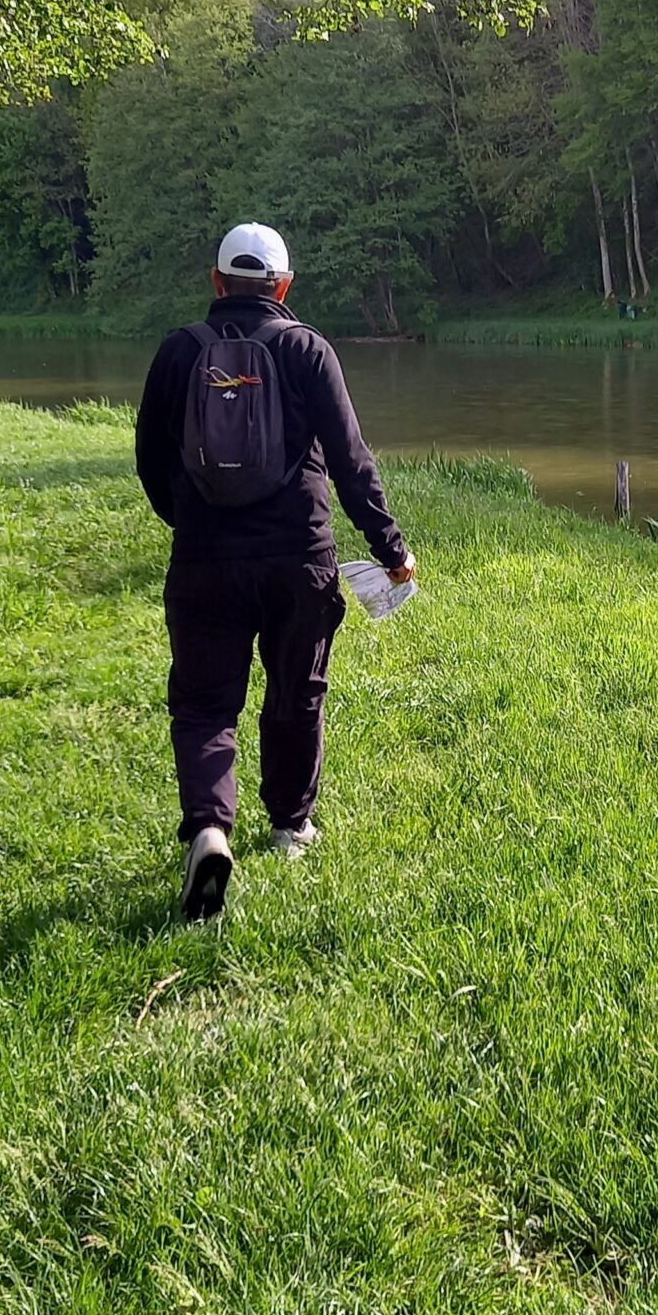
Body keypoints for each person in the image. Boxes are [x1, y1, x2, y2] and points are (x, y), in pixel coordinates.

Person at [135, 221, 416, 916]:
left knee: (204, 705)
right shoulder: (306, 350)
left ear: (217, 282)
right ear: (283, 286)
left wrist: (192, 521)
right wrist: (391, 549)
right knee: (297, 691)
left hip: (204, 560)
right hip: (300, 555)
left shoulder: (178, 352)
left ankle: (208, 827)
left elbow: (149, 461)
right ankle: (291, 825)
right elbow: (351, 463)